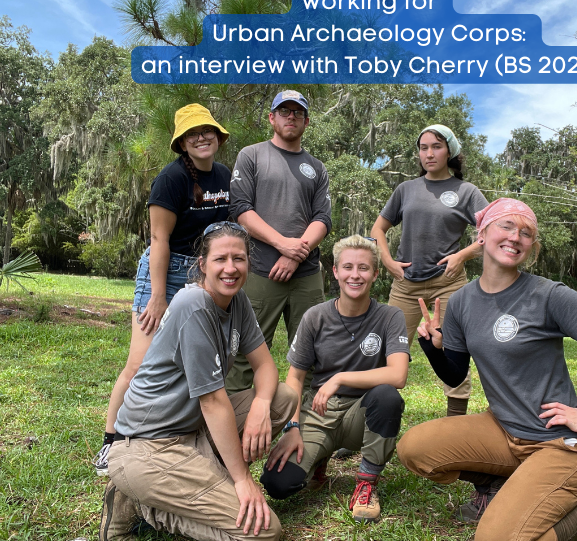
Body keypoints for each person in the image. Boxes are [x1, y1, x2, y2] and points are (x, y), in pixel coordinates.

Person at [396, 198, 577, 541]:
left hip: (559, 444)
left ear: (531, 246)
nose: (515, 237)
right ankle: (499, 483)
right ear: (481, 235)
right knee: (414, 449)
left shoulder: (548, 295)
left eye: (526, 232)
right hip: (502, 431)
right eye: (506, 226)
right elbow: (455, 374)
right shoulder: (462, 302)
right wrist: (432, 348)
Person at [99, 222, 298, 541]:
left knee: (281, 398)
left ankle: (198, 480)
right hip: (147, 445)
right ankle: (141, 505)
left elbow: (265, 366)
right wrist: (243, 479)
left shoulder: (238, 301)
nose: (231, 268)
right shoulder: (193, 304)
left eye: (239, 258)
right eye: (221, 259)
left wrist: (261, 404)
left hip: (192, 431)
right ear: (203, 264)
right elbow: (213, 401)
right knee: (263, 533)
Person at [93, 104, 233, 475]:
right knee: (139, 363)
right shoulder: (170, 179)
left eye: (207, 131)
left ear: (218, 137)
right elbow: (159, 238)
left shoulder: (223, 176)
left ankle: (183, 437)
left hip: (200, 276)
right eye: (192, 134)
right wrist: (157, 295)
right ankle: (111, 440)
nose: (201, 138)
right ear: (182, 143)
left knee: (192, 364)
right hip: (165, 271)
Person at [259, 235, 409, 523]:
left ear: (376, 274)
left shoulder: (390, 317)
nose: (355, 275)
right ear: (335, 271)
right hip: (318, 411)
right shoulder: (315, 316)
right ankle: (318, 461)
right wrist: (292, 426)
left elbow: (398, 374)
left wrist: (340, 377)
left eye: (364, 268)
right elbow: (295, 377)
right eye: (348, 267)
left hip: (362, 412)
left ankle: (366, 482)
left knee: (388, 396)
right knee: (277, 484)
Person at [370, 124, 488, 418]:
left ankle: (455, 427)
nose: (429, 153)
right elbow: (378, 229)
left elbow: (492, 234)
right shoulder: (406, 189)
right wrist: (386, 260)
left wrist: (462, 255)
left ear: (450, 150)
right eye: (423, 148)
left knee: (453, 352)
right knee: (387, 354)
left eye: (436, 146)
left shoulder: (466, 191)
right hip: (405, 287)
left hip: (449, 286)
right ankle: (367, 424)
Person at [226, 90, 332, 394]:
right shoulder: (252, 155)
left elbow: (322, 218)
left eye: (297, 113)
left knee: (313, 354)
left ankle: (306, 427)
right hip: (260, 270)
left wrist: (296, 254)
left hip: (307, 274)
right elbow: (241, 210)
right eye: (284, 111)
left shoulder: (317, 167)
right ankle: (236, 423)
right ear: (272, 117)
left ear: (306, 121)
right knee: (245, 354)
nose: (291, 117)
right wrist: (282, 245)